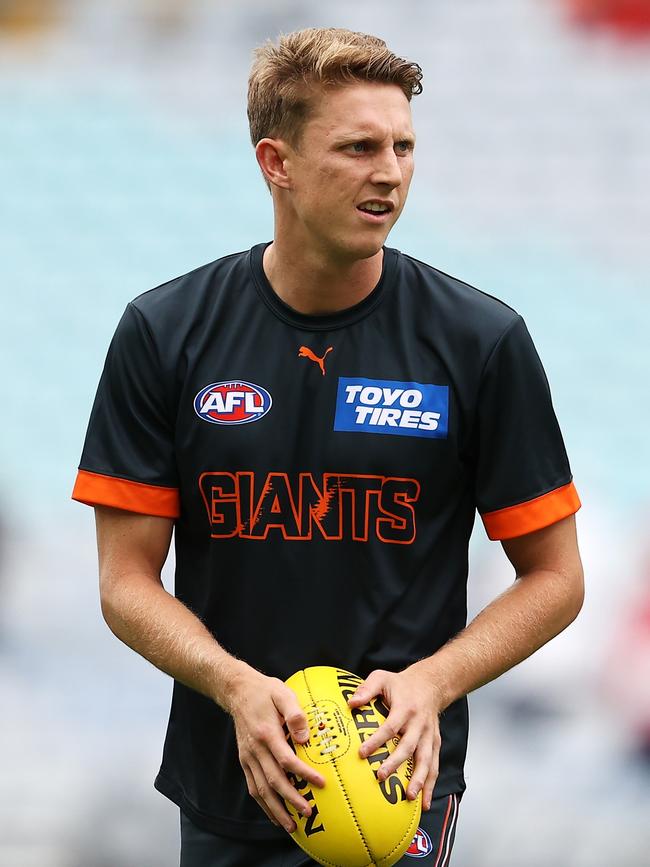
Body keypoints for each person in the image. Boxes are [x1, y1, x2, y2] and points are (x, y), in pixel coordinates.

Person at [72, 27, 584, 867]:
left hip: (395, 789)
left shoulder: (480, 341)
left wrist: (433, 681)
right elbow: (125, 580)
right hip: (229, 776)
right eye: (357, 147)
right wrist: (234, 686)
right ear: (277, 162)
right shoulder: (165, 332)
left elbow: (557, 579)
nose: (389, 171)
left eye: (403, 146)